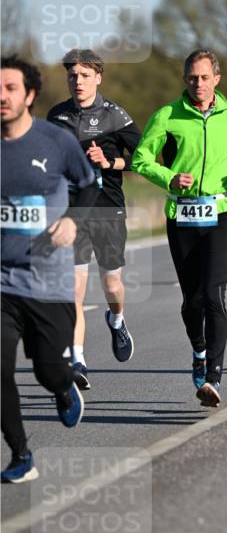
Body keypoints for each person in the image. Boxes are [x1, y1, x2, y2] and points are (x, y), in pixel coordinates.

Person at [131, 49, 227, 407]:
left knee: (213, 295)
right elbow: (141, 158)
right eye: (192, 77)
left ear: (216, 79)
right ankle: (198, 349)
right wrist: (169, 178)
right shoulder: (167, 115)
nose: (198, 83)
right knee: (191, 300)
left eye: (204, 77)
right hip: (181, 216)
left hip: (220, 212)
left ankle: (214, 377)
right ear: (185, 79)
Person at [1, 55, 96, 483]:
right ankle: (21, 454)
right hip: (3, 280)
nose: (1, 97)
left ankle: (61, 386)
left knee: (47, 370)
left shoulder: (54, 143)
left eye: (10, 89)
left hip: (49, 281)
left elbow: (90, 185)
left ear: (30, 95)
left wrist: (74, 219)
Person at [47, 50, 141, 389]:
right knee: (73, 290)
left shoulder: (115, 116)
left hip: (107, 209)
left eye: (85, 75)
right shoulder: (56, 116)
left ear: (98, 77)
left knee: (112, 286)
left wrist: (110, 162)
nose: (78, 81)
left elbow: (142, 158)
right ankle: (78, 361)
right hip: (72, 213)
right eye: (72, 75)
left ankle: (116, 320)